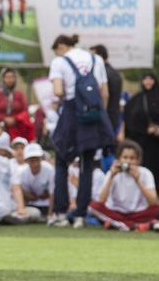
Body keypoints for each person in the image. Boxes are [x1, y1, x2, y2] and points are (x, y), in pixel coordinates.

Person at [48, 34, 114, 228]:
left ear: (61, 46)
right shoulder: (96, 59)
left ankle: (60, 212)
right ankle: (80, 215)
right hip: (93, 116)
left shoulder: (60, 61)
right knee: (87, 165)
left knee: (61, 160)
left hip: (70, 113)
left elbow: (58, 91)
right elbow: (105, 93)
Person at [88, 140, 159, 231]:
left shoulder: (145, 173)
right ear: (119, 159)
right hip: (116, 212)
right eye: (125, 157)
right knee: (93, 206)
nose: (128, 161)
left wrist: (138, 180)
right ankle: (133, 225)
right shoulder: (112, 173)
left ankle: (121, 225)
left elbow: (153, 202)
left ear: (138, 160)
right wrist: (111, 176)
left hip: (138, 213)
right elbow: (101, 200)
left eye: (132, 158)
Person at [120, 72, 159, 190]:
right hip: (141, 139)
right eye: (146, 79)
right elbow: (128, 116)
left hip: (158, 142)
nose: (148, 82)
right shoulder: (137, 98)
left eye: (150, 79)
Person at [0, 68, 35, 142]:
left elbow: (25, 110)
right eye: (8, 77)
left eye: (12, 77)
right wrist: (4, 119)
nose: (10, 80)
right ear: (3, 79)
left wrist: (14, 119)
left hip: (16, 126)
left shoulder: (19, 95)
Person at [12, 142, 54, 221]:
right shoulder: (20, 171)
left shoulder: (49, 169)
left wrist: (50, 214)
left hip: (46, 205)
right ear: (26, 160)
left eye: (37, 159)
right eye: (32, 160)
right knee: (34, 213)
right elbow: (16, 188)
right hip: (29, 205)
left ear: (41, 158)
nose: (35, 163)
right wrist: (21, 208)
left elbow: (52, 193)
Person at [89, 44, 122, 136]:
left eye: (92, 56)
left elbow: (104, 95)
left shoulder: (102, 72)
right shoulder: (114, 72)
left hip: (104, 117)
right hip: (113, 116)